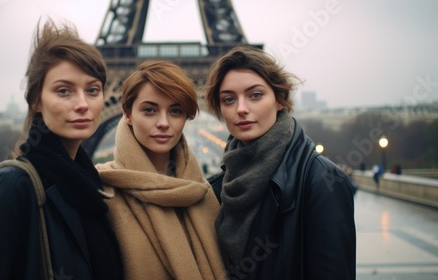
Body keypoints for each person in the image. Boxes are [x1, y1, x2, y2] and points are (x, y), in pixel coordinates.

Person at [0, 19, 123, 280]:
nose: (82, 104)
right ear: (36, 101)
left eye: (92, 90)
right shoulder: (12, 188)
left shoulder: (90, 188)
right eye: (64, 91)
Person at [204, 46, 356, 279]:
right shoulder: (217, 188)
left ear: (279, 101)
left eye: (255, 95)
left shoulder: (324, 182)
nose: (241, 109)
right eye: (228, 99)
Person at [95, 60, 226, 279]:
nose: (163, 123)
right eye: (149, 110)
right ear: (127, 113)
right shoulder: (100, 192)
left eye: (175, 111)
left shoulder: (207, 193)